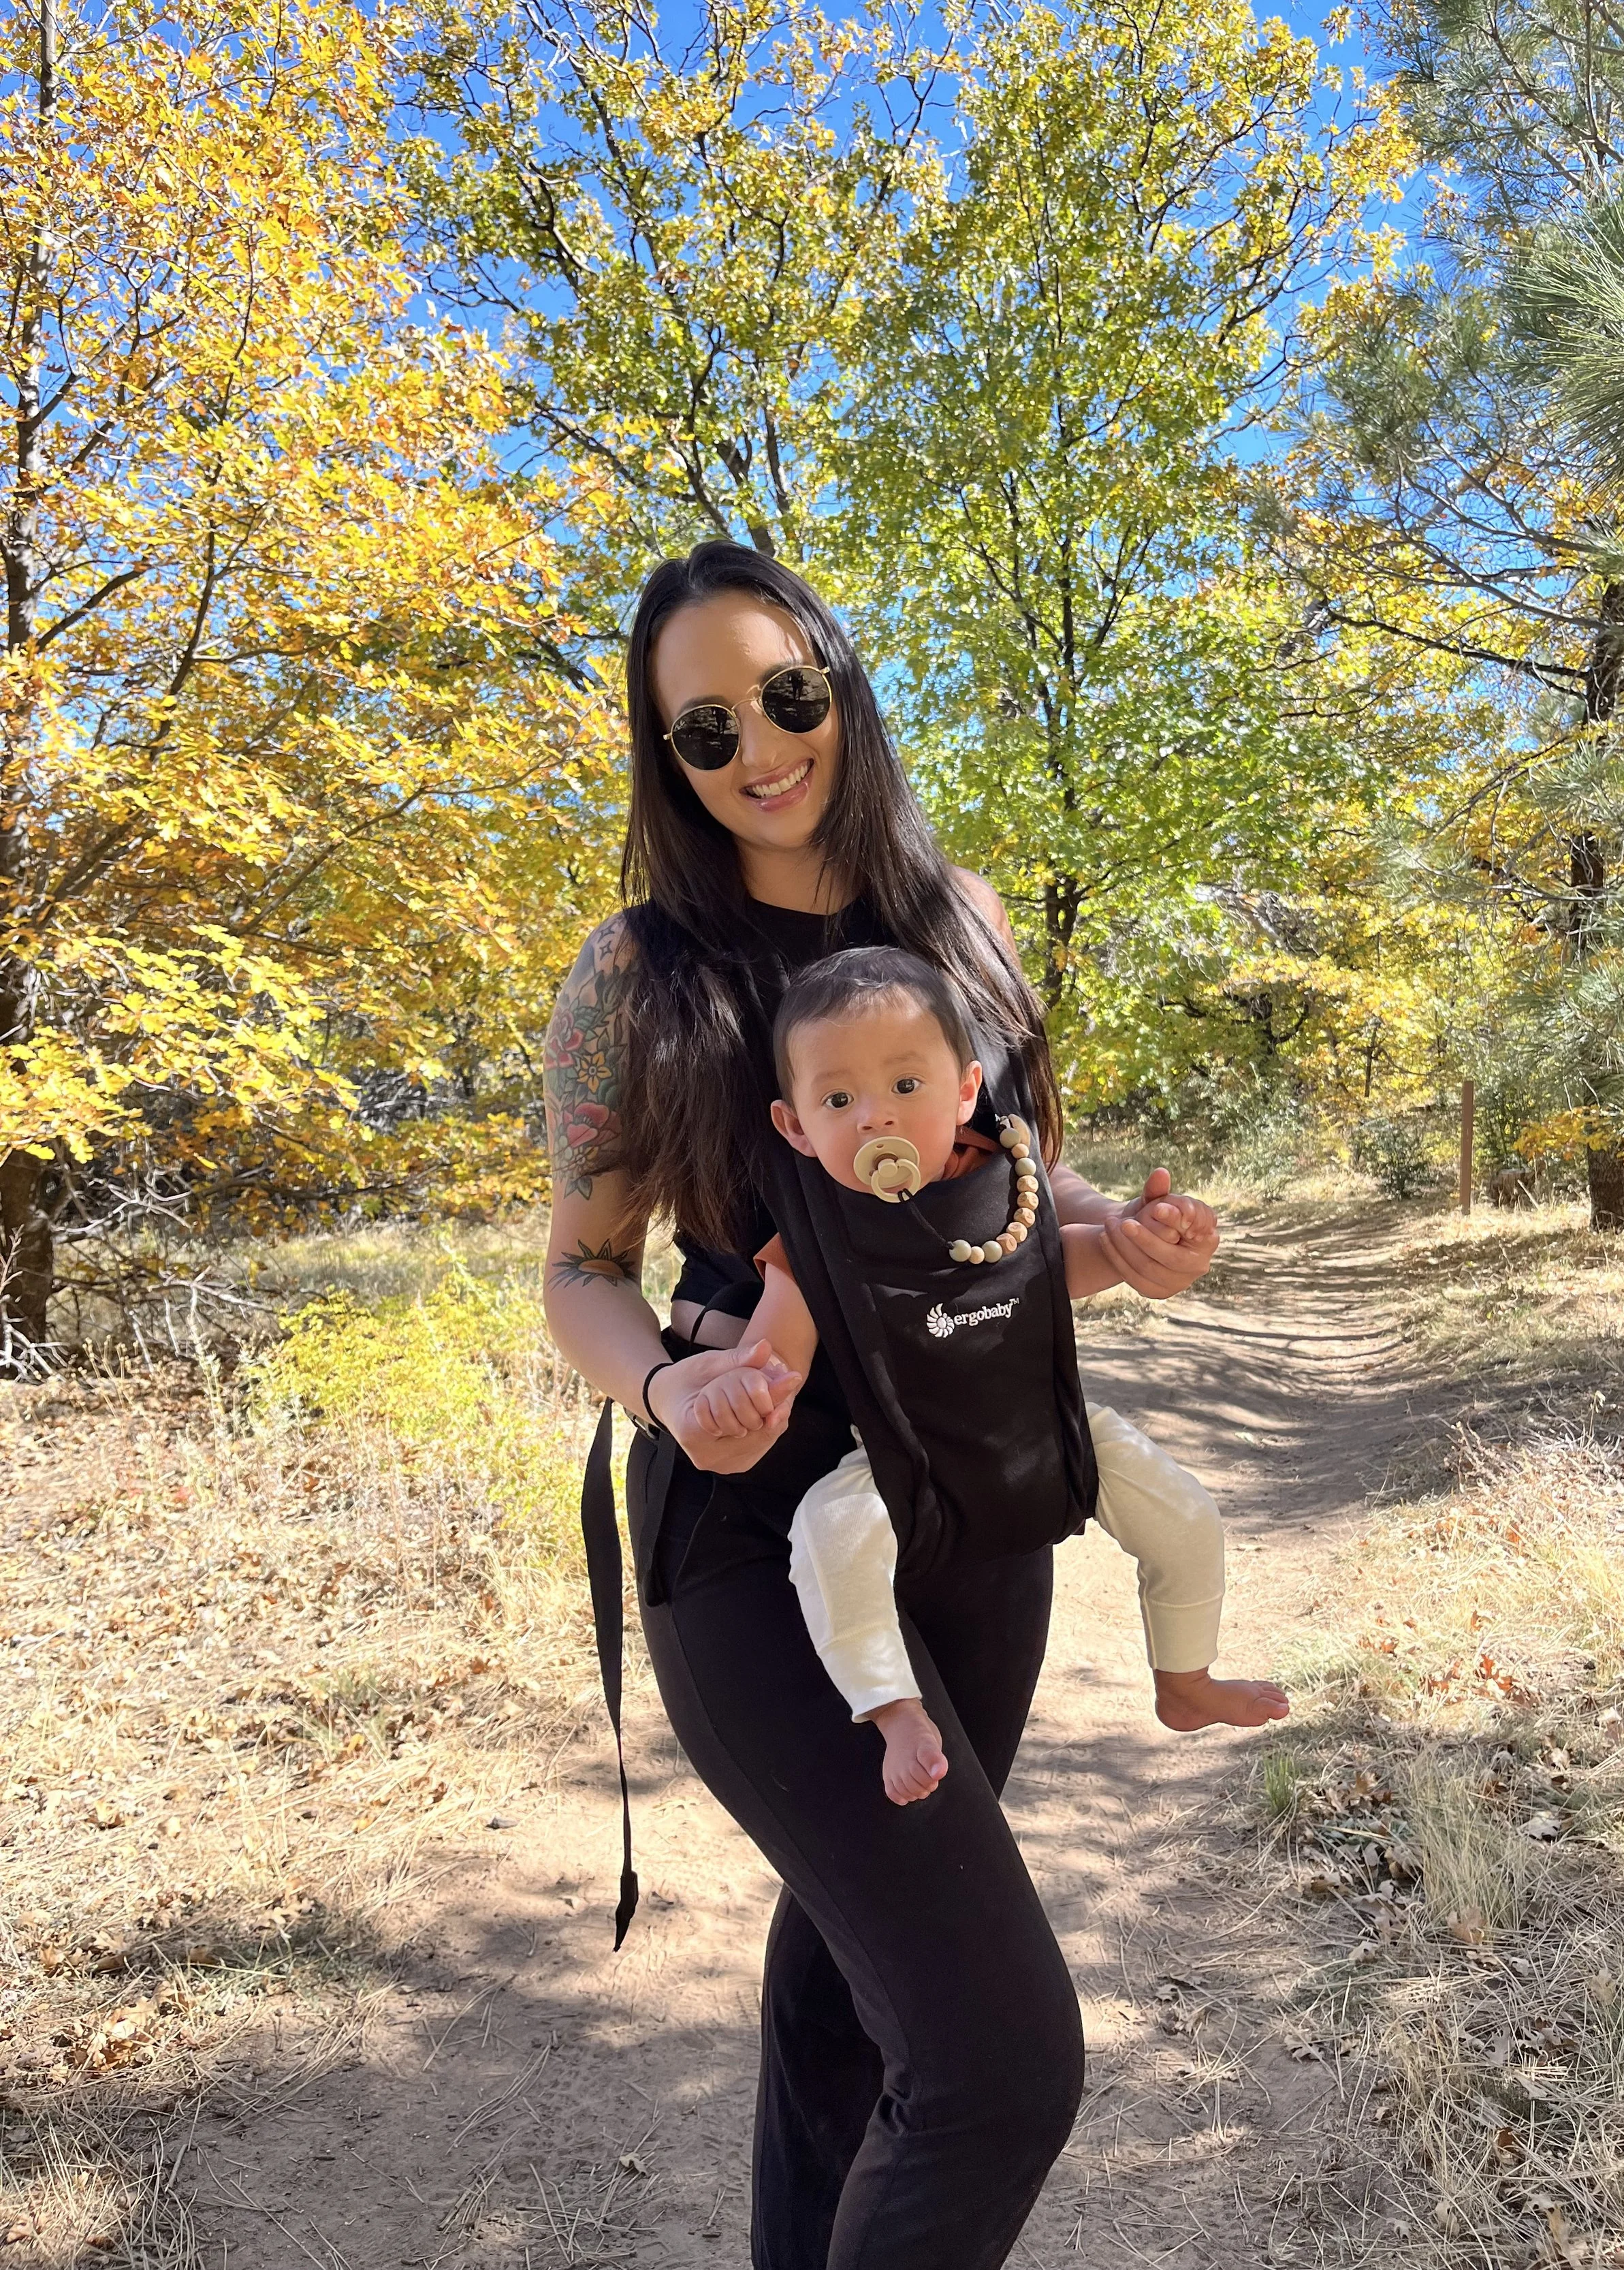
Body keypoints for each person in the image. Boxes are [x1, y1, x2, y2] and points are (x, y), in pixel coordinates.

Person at [542, 538, 1225, 2270]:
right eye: (703, 730)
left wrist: (1119, 1241)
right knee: (1002, 2065)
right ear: (668, 761)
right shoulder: (642, 975)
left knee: (858, 2002)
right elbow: (578, 1273)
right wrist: (671, 1381)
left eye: (786, 695)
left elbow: (1011, 1191)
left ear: (840, 684)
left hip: (978, 1502)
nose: (759, 749)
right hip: (756, 1536)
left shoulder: (964, 919)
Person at [676, 945, 1288, 1807]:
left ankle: (1185, 1678)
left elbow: (1060, 1263)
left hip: (1052, 1438)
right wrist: (744, 1391)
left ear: (965, 1090)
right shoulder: (811, 1242)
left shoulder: (1011, 1187)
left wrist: (1140, 1237)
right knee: (828, 1537)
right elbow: (772, 1364)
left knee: (1184, 1513)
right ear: (795, 1128)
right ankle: (891, 1707)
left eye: (905, 1087)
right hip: (904, 1461)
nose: (874, 1120)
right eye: (839, 1099)